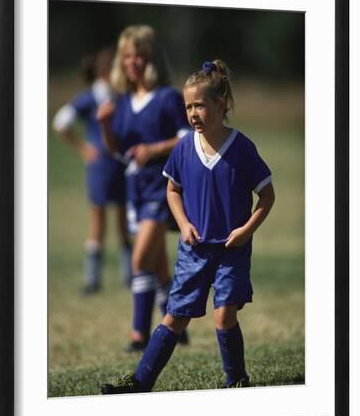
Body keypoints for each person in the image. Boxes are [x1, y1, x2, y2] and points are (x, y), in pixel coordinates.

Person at [101, 59, 275, 392]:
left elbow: (267, 196)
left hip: (230, 250)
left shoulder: (242, 148)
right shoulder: (183, 147)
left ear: (220, 104)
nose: (193, 113)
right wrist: (182, 224)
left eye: (200, 105)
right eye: (188, 106)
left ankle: (236, 381)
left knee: (224, 316)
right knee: (175, 316)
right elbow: (172, 189)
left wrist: (246, 231)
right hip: (193, 249)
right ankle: (140, 382)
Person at [97, 25, 190, 351]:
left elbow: (186, 137)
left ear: (150, 58)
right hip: (135, 187)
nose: (132, 62)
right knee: (157, 261)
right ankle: (176, 325)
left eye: (138, 55)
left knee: (140, 260)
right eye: (127, 56)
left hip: (164, 187)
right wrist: (106, 125)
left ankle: (139, 335)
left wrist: (153, 149)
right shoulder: (121, 101)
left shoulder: (167, 97)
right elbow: (117, 150)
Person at [52, 48, 132, 294]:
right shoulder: (89, 98)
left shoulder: (122, 96)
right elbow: (60, 122)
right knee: (98, 220)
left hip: (121, 164)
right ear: (108, 72)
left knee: (123, 221)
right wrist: (82, 148)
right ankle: (92, 279)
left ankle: (129, 276)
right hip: (100, 167)